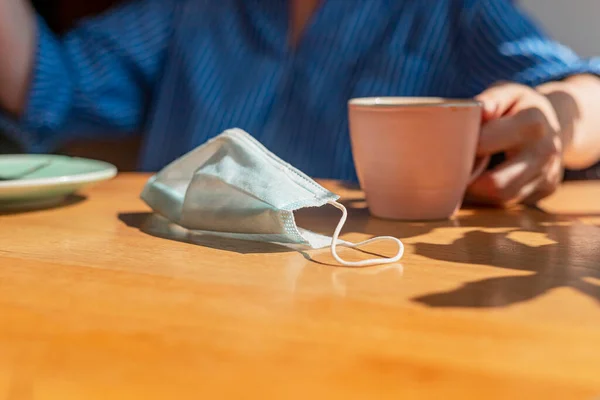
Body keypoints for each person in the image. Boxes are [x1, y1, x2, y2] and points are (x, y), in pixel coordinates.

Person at [1, 0, 600, 206]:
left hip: (370, 312)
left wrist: (551, 122)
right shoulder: (191, 10)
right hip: (177, 302)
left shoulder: (450, 10)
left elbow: (583, 92)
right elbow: (54, 83)